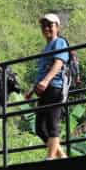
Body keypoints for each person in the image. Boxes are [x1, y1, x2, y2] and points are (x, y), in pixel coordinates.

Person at [25, 13, 69, 160]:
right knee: (40, 128)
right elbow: (43, 71)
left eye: (50, 25)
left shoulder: (60, 42)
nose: (46, 28)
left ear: (57, 27)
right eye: (44, 26)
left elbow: (58, 63)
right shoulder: (46, 48)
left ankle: (51, 158)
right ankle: (61, 156)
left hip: (55, 87)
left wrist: (46, 81)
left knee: (52, 123)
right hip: (44, 90)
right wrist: (32, 89)